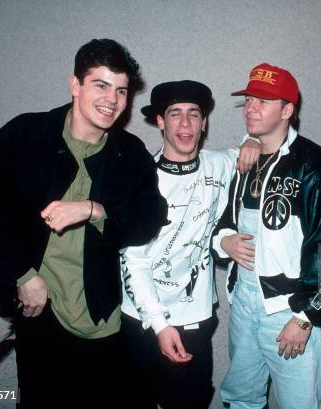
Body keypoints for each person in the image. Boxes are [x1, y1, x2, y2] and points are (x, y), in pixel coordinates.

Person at [0, 38, 168, 408]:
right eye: (101, 85)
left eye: (121, 90)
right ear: (75, 85)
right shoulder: (24, 136)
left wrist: (93, 210)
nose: (112, 99)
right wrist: (22, 276)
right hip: (41, 314)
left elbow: (150, 219)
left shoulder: (130, 153)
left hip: (107, 317)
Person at [120, 80, 260, 409]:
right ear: (159, 121)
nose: (185, 124)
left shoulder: (221, 164)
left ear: (204, 122)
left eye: (194, 115)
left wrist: (251, 139)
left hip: (195, 320)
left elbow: (265, 143)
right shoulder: (139, 179)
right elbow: (134, 261)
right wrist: (159, 324)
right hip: (140, 320)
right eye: (175, 114)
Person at [211, 63, 321, 409]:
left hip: (289, 310)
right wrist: (223, 241)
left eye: (264, 101)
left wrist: (306, 317)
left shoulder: (317, 165)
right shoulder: (244, 161)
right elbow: (223, 221)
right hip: (243, 301)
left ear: (287, 110)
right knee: (240, 398)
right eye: (250, 99)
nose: (252, 108)